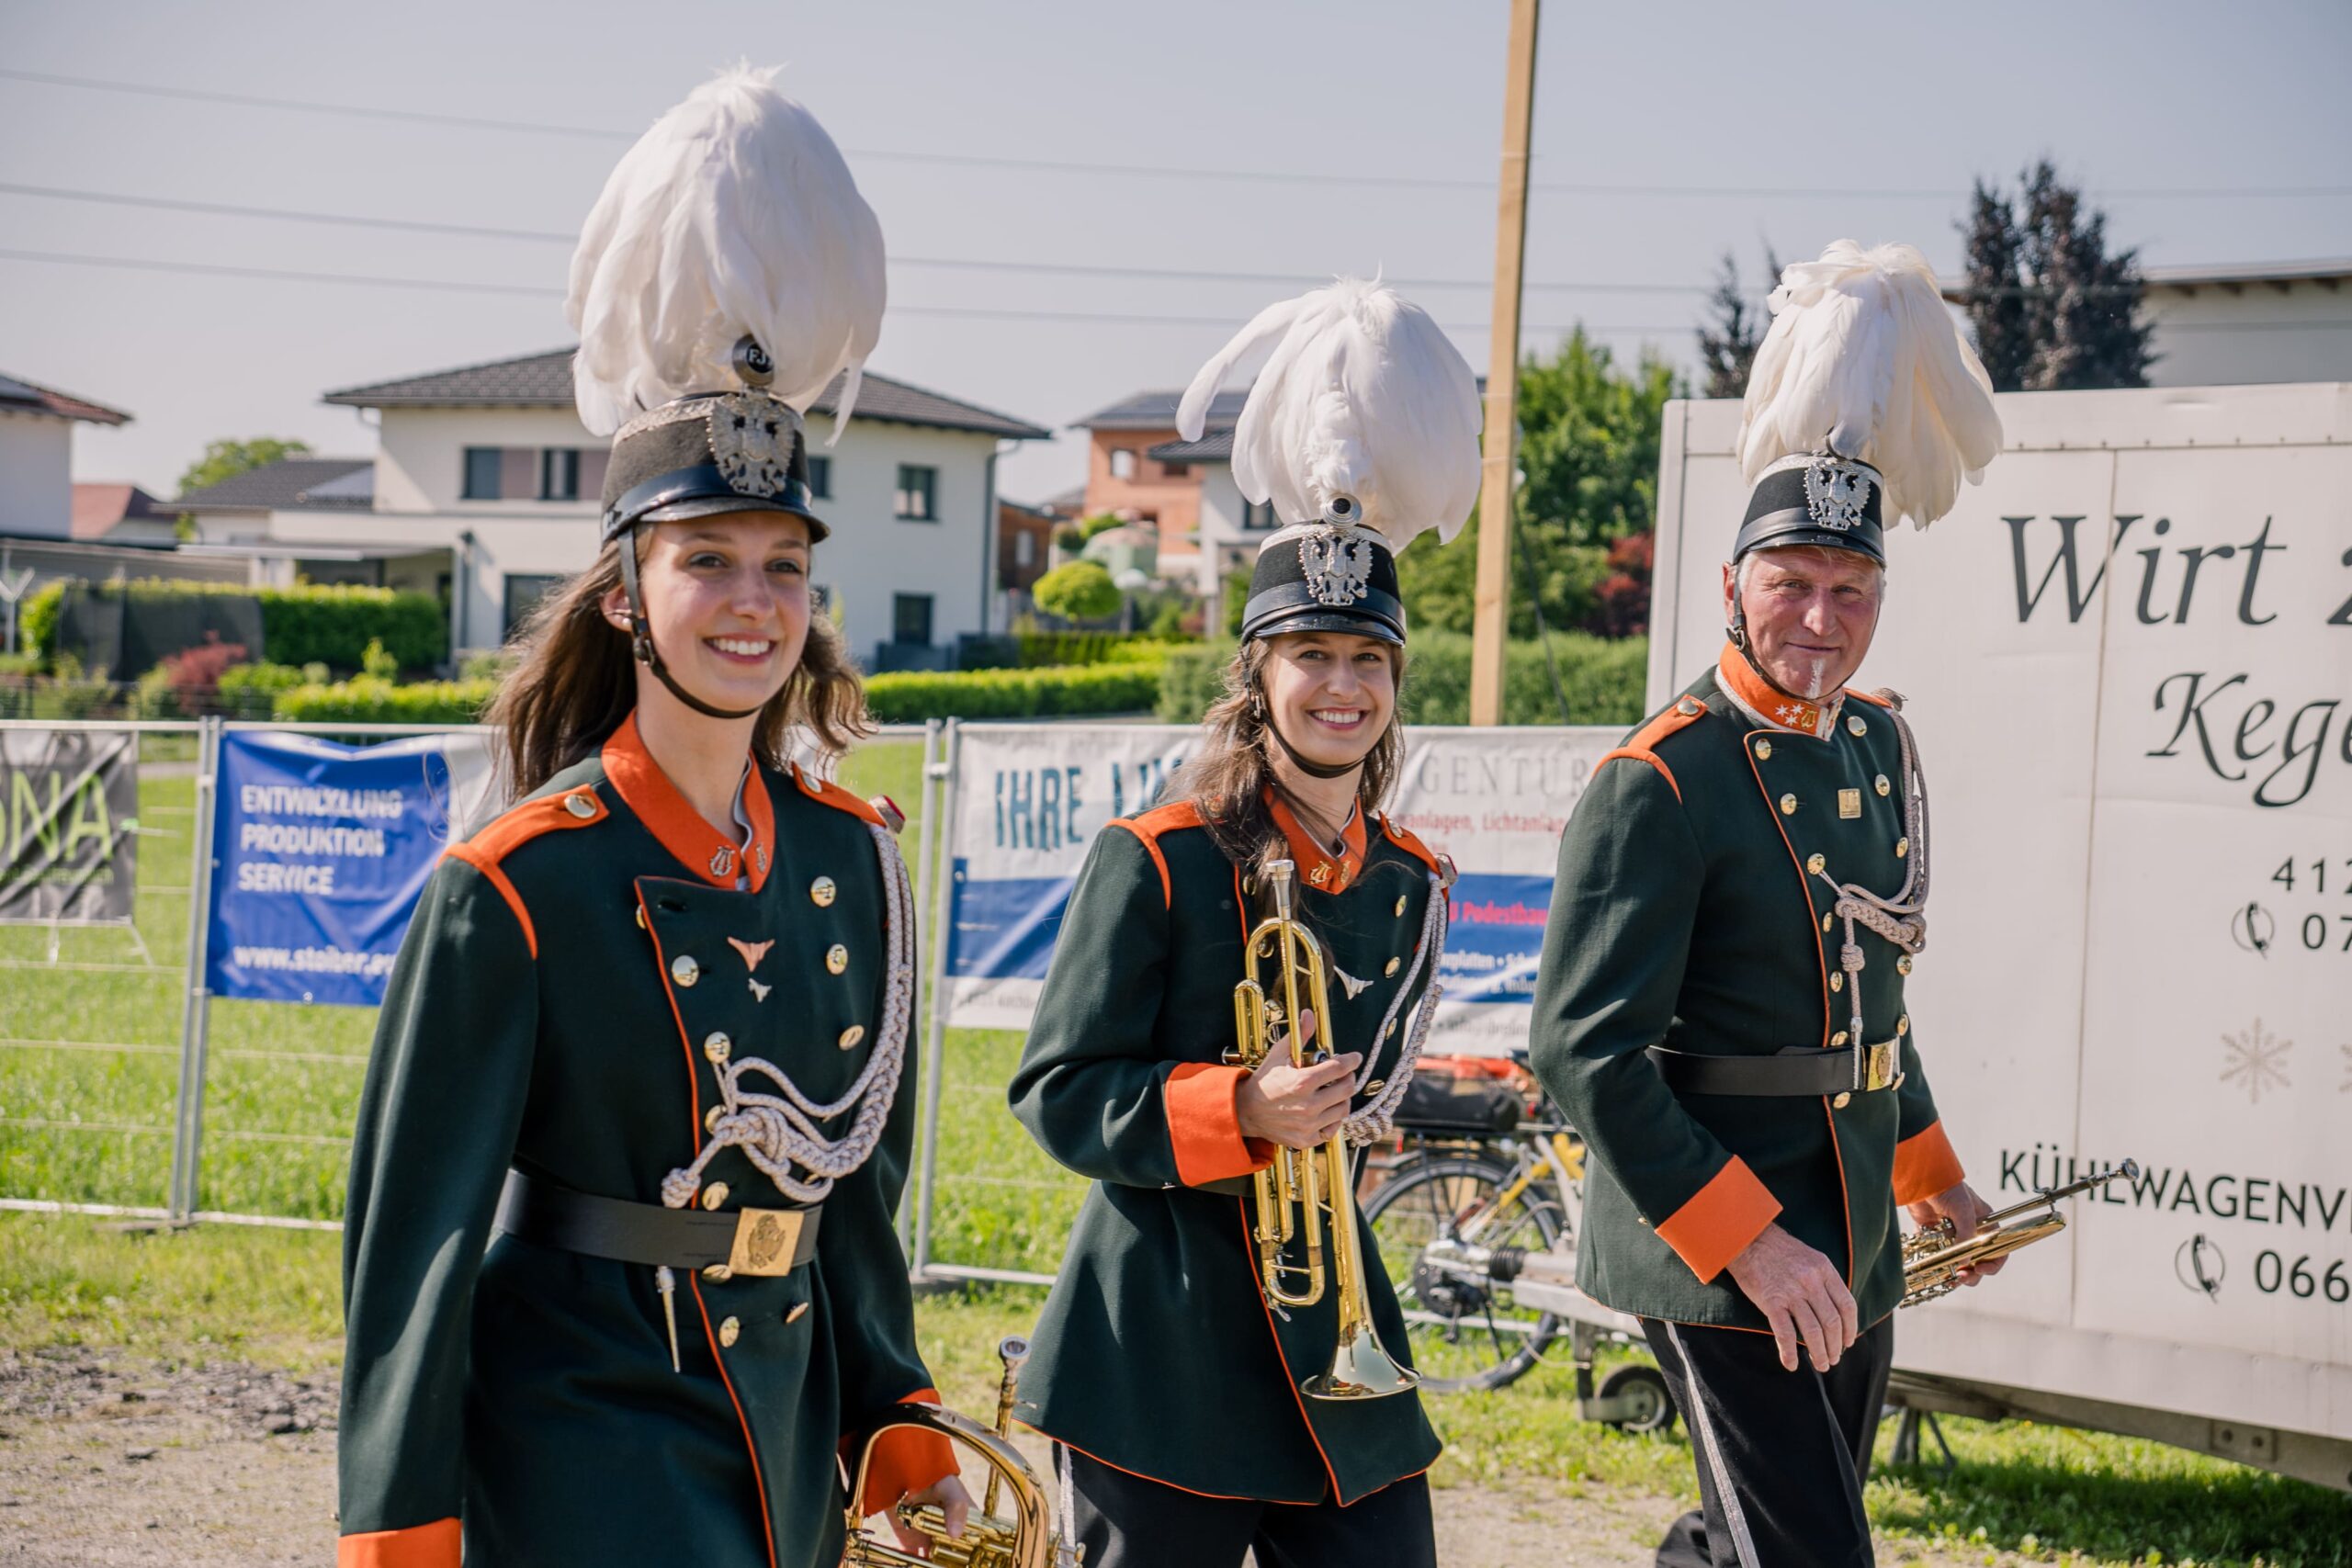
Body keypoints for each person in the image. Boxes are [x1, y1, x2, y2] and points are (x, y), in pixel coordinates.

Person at [334, 65, 969, 1568]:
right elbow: (412, 1243)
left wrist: (895, 1429)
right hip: (581, 1425)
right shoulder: (516, 884)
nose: (752, 601)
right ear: (626, 594)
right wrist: (401, 1533)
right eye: (707, 561)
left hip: (787, 1420)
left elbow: (849, 1198)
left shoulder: (851, 858)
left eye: (782, 565)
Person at [1529, 241, 2009, 1568]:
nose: (1820, 616)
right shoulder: (1661, 780)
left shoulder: (1874, 742)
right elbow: (1582, 1053)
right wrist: (1750, 1243)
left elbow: (1869, 1001)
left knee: (1748, 1537)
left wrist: (1929, 1175)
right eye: (1790, 582)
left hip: (1851, 1219)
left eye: (1850, 589)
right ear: (1733, 586)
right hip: (1718, 1238)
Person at [1005, 279, 1481, 1568]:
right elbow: (1056, 1091)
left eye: (1368, 660)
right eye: (1311, 655)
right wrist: (1241, 1110)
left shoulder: (1408, 878)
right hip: (1160, 1342)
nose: (1341, 686)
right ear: (1257, 676)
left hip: (1336, 1325)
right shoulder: (1157, 857)